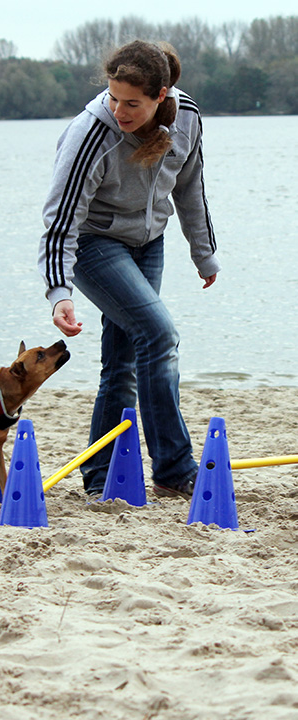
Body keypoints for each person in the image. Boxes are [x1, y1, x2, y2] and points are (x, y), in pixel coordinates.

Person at [38, 39, 220, 498]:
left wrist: (204, 252)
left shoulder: (188, 118)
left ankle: (102, 476)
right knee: (159, 334)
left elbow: (190, 188)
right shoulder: (91, 134)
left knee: (122, 363)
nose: (119, 109)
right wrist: (60, 291)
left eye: (132, 103)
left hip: (147, 244)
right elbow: (61, 221)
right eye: (114, 98)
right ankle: (175, 470)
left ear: (162, 95)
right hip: (93, 245)